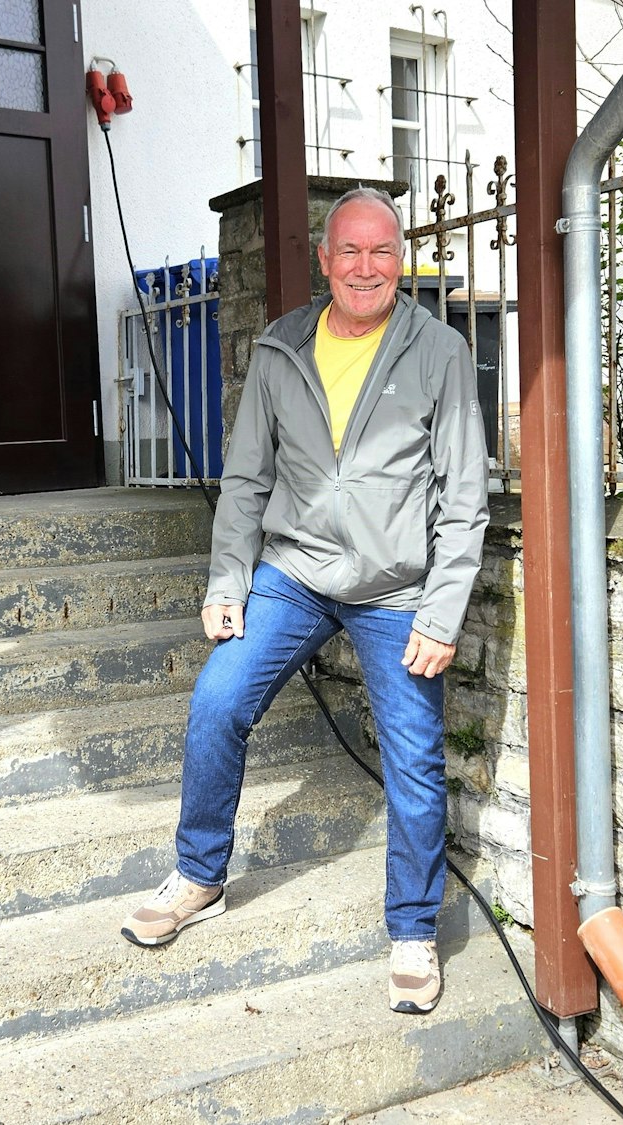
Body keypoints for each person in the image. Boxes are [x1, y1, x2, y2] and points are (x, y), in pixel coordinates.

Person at [119, 186, 489, 1014]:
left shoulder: (440, 352)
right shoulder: (282, 346)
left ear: (403, 260)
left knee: (415, 763)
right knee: (217, 699)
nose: (365, 267)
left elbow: (464, 500)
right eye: (349, 251)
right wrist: (228, 581)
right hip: (294, 571)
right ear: (325, 261)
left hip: (397, 589)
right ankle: (199, 874)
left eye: (381, 252)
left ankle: (413, 927)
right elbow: (246, 478)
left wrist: (442, 611)